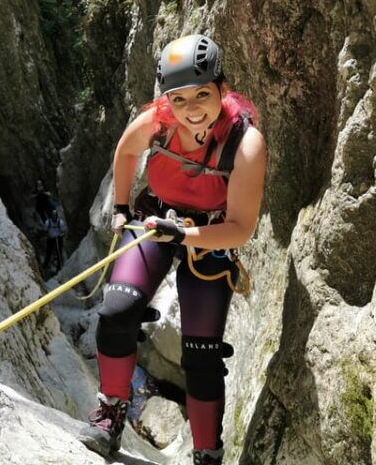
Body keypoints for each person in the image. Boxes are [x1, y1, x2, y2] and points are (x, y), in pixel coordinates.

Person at [78, 35, 266, 465]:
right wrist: (122, 207)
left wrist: (182, 236)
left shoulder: (245, 144)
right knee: (116, 310)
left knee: (202, 352)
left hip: (211, 234)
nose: (192, 107)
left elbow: (239, 229)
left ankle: (205, 454)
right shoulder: (156, 122)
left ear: (222, 88)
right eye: (180, 99)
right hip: (153, 217)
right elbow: (125, 152)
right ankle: (111, 412)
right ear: (167, 100)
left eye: (203, 94)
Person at [41, 207, 68, 278]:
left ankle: (59, 266)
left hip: (58, 239)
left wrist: (60, 235)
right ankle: (45, 265)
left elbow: (64, 231)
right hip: (51, 239)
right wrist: (48, 235)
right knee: (48, 252)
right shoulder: (48, 222)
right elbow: (45, 230)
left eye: (55, 216)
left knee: (58, 252)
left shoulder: (60, 223)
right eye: (53, 216)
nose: (54, 217)